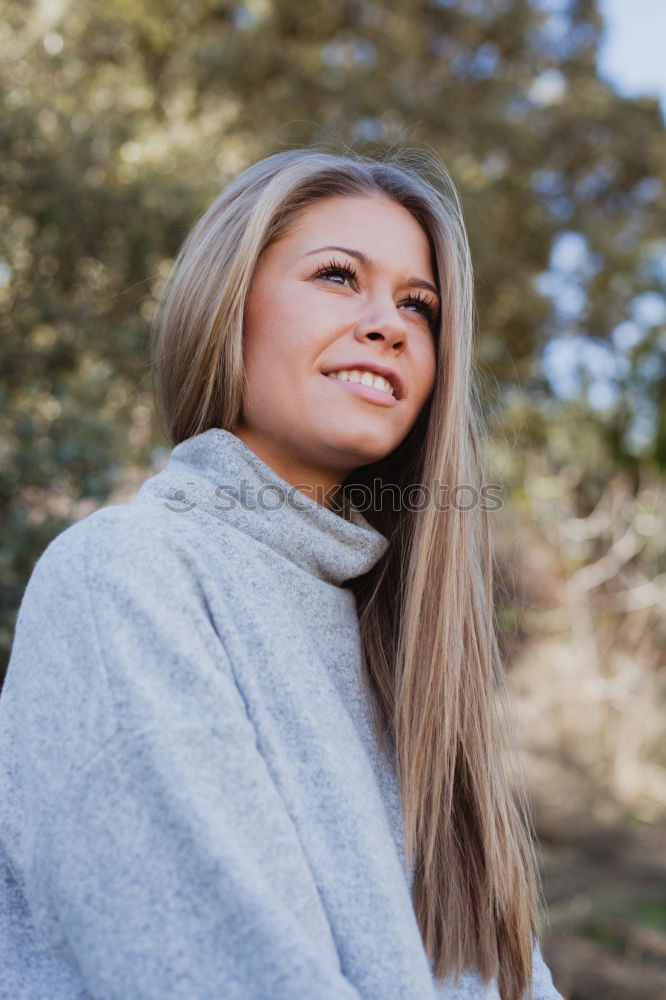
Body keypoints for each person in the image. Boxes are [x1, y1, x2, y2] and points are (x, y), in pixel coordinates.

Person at [0, 147, 564, 1000]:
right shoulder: (125, 575)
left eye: (421, 305)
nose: (392, 323)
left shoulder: (403, 649)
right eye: (339, 276)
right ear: (228, 306)